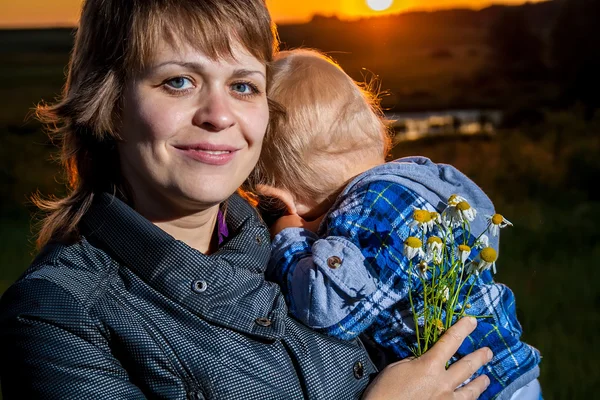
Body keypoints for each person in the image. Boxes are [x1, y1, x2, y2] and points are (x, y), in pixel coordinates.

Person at [0, 1, 493, 398]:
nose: (220, 115)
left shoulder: (311, 239)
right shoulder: (58, 314)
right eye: (179, 81)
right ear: (108, 103)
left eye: (243, 85)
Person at [248, 49, 541, 400]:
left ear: (288, 198)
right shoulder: (415, 180)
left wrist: (289, 238)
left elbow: (327, 310)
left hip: (472, 386)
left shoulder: (372, 212)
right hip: (505, 371)